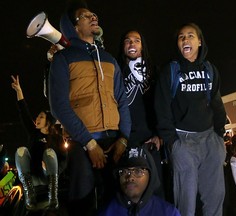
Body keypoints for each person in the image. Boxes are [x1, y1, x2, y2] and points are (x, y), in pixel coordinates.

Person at [48, 1, 131, 214]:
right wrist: (89, 144)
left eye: (93, 13)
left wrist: (123, 138)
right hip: (81, 145)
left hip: (115, 143)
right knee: (83, 205)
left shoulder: (110, 59)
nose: (93, 17)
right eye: (85, 16)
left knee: (118, 202)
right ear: (74, 27)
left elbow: (122, 100)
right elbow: (58, 106)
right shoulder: (62, 58)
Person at [154, 22, 227, 216]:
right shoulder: (171, 70)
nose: (185, 39)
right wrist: (173, 143)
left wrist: (219, 136)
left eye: (190, 35)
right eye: (181, 37)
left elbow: (217, 104)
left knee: (215, 199)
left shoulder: (211, 70)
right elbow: (161, 109)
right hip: (183, 141)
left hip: (210, 139)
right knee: (185, 203)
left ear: (200, 42)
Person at [117, 29, 166, 198]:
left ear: (142, 46)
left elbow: (163, 106)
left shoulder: (155, 71)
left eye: (136, 40)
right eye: (127, 40)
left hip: (151, 141)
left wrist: (159, 134)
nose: (132, 43)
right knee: (129, 192)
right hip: (125, 140)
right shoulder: (115, 72)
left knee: (155, 190)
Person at [11, 75, 65, 211]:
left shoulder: (57, 138)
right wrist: (19, 91)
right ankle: (30, 195)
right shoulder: (34, 133)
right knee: (21, 150)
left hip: (49, 177)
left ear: (48, 121)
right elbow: (24, 112)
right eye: (37, 116)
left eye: (41, 116)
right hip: (33, 178)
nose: (37, 118)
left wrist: (50, 168)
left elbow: (64, 160)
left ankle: (53, 197)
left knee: (50, 152)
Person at [98, 146, 181, 216]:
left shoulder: (169, 213)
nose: (130, 177)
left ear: (151, 175)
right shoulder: (105, 212)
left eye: (138, 171)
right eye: (124, 171)